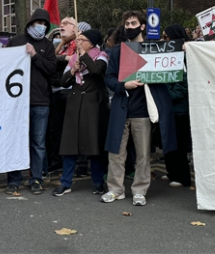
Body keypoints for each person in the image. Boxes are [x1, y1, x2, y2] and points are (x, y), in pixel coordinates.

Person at [102, 10, 177, 206]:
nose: (129, 27)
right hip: (121, 108)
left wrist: (185, 48)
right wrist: (122, 85)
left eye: (133, 23)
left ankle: (139, 190)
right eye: (126, 24)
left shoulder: (155, 49)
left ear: (143, 26)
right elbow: (108, 78)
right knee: (116, 152)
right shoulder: (117, 51)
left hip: (143, 111)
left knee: (143, 154)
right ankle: (115, 189)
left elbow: (172, 65)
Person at [5, 9, 56, 196]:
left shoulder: (48, 45)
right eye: (38, 22)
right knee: (16, 141)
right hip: (17, 102)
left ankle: (36, 178)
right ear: (31, 23)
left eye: (44, 24)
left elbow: (52, 69)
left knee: (38, 143)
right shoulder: (16, 41)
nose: (41, 26)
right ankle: (14, 179)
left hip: (40, 101)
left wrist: (35, 55)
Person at [54, 28, 109, 196]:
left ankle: (98, 181)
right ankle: (66, 181)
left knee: (93, 144)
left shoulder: (102, 56)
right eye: (78, 40)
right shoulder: (75, 59)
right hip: (75, 102)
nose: (78, 42)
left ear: (91, 42)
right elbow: (62, 82)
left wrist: (84, 54)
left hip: (93, 104)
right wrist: (72, 70)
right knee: (70, 144)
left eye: (82, 40)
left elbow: (96, 70)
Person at [162, 24, 192, 188]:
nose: (163, 40)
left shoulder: (185, 56)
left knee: (179, 144)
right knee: (168, 142)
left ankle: (182, 177)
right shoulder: (169, 55)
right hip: (169, 106)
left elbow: (184, 85)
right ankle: (172, 172)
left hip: (179, 108)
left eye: (166, 37)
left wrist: (168, 97)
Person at [48, 17, 80, 174]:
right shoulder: (62, 44)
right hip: (55, 90)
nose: (61, 25)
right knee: (56, 128)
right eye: (61, 24)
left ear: (75, 28)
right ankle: (57, 160)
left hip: (69, 90)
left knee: (70, 129)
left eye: (66, 24)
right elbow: (51, 58)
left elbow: (76, 60)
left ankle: (76, 163)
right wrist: (62, 52)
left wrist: (67, 58)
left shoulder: (79, 43)